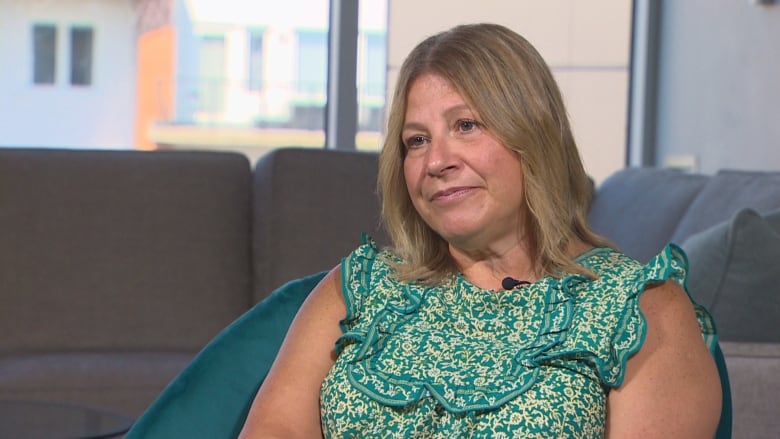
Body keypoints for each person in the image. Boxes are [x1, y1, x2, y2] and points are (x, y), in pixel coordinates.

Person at [238, 23, 722, 438]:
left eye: (466, 125)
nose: (436, 161)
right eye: (416, 140)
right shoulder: (360, 288)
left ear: (533, 136)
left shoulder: (638, 307)